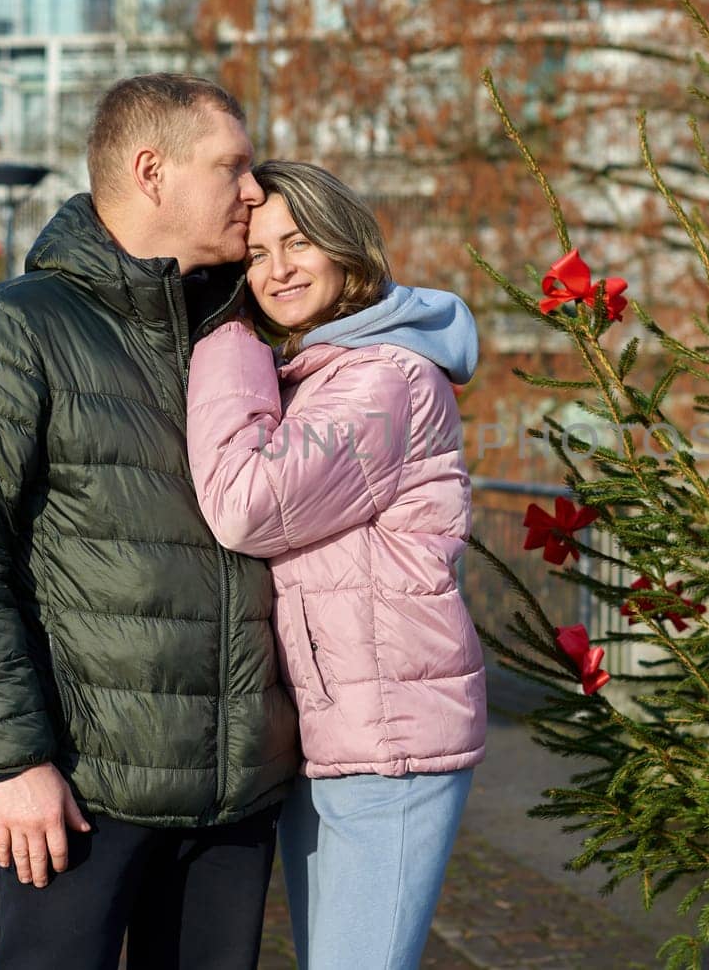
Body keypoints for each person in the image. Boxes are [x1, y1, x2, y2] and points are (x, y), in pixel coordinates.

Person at [0, 74, 299, 970]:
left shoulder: (246, 327)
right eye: (231, 166)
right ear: (151, 171)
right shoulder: (15, 330)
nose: (254, 192)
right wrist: (13, 761)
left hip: (234, 795)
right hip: (84, 787)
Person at [186, 161, 487, 970]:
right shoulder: (329, 371)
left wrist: (225, 340)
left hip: (387, 742)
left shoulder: (383, 381)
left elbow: (246, 503)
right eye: (255, 253)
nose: (276, 268)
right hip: (339, 731)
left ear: (346, 247)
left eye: (298, 242)